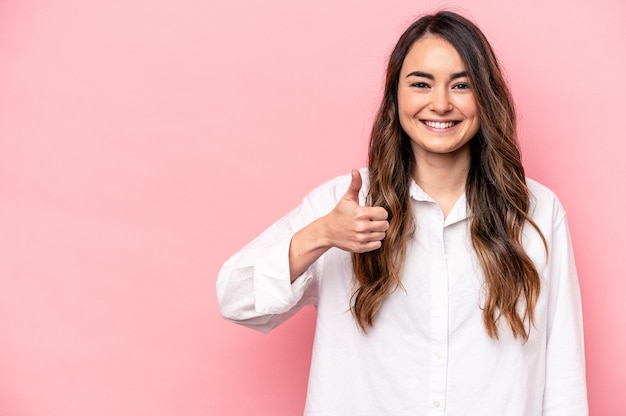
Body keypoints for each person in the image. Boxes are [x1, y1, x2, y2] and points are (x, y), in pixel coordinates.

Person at [216, 10, 588, 415]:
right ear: (396, 95)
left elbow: (563, 372)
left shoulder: (537, 212)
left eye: (461, 85)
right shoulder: (344, 206)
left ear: (485, 96)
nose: (441, 104)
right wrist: (321, 234)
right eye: (421, 84)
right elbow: (236, 300)